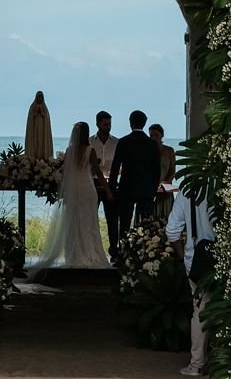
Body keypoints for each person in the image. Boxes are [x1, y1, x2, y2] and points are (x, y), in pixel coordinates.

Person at [36, 121, 109, 269]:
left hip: (74, 189)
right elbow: (98, 172)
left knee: (73, 220)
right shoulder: (90, 150)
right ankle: (89, 252)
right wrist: (108, 189)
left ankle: (73, 254)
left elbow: (66, 173)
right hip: (87, 188)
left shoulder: (70, 151)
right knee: (88, 220)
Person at [167, 184, 215, 376]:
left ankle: (197, 364)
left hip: (197, 259)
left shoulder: (188, 189)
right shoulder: (224, 183)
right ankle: (223, 361)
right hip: (228, 256)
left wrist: (181, 256)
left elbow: (172, 230)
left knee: (201, 310)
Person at [108, 110, 161, 249]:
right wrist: (153, 190)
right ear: (144, 123)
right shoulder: (152, 144)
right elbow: (157, 170)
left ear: (130, 122)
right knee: (146, 224)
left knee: (124, 223)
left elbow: (115, 167)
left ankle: (123, 252)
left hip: (127, 188)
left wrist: (112, 188)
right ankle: (144, 253)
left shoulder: (124, 141)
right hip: (146, 189)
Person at [90, 109, 119, 243]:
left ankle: (114, 249)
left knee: (112, 219)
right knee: (90, 217)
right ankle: (90, 247)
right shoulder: (90, 142)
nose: (108, 127)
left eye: (109, 124)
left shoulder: (116, 142)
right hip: (93, 183)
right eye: (105, 124)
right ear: (98, 124)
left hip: (111, 183)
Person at [149, 124, 176, 215]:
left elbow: (173, 170)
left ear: (162, 135)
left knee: (166, 217)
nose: (153, 138)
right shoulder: (147, 151)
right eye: (151, 135)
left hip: (165, 188)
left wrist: (166, 182)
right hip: (151, 189)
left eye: (156, 135)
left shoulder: (169, 150)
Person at [23, 90, 54, 165]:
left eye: (41, 97)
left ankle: (43, 159)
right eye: (38, 97)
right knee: (36, 143)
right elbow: (30, 118)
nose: (40, 99)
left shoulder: (45, 108)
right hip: (34, 129)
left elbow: (46, 118)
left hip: (43, 130)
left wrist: (42, 113)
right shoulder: (32, 107)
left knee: (41, 144)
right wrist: (35, 113)